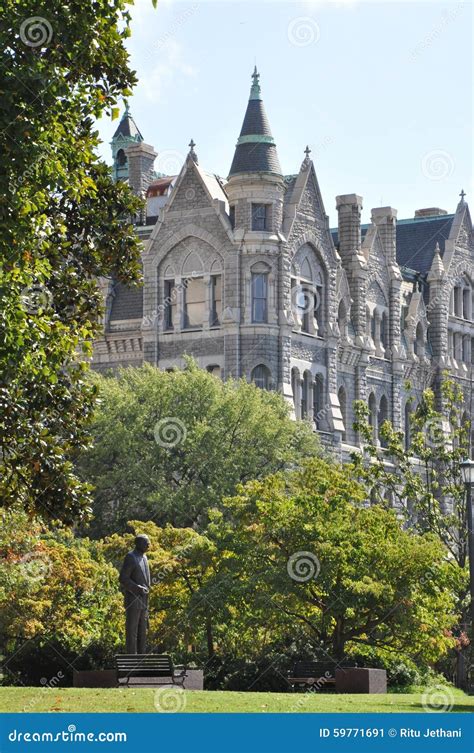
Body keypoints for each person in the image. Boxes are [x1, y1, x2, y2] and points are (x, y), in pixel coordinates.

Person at [119, 534, 151, 654]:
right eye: (146, 542)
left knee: (143, 631)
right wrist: (138, 589)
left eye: (149, 543)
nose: (148, 545)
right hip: (133, 600)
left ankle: (142, 659)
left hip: (144, 601)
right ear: (138, 544)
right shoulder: (130, 557)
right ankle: (132, 660)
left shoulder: (145, 557)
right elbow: (123, 578)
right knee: (132, 631)